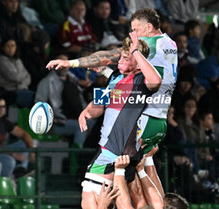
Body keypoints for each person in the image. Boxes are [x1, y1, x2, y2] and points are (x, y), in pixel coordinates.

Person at [47, 8, 178, 154]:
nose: (134, 34)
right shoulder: (169, 43)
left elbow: (109, 55)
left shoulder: (150, 44)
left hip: (143, 116)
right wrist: (105, 72)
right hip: (157, 115)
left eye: (136, 29)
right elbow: (115, 88)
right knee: (140, 168)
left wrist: (71, 63)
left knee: (118, 166)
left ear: (149, 27)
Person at [78, 32, 162, 209]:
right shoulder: (115, 76)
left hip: (113, 151)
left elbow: (156, 81)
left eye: (127, 57)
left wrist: (137, 52)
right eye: (121, 56)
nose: (121, 60)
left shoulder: (140, 81)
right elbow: (100, 105)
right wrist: (86, 111)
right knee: (137, 201)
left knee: (90, 200)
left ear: (138, 63)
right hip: (125, 152)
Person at [0, 38, 34, 108]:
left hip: (22, 90)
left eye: (13, 46)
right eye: (7, 46)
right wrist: (22, 78)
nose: (10, 48)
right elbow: (14, 77)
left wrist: (21, 81)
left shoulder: (17, 60)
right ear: (2, 47)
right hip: (8, 91)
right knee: (35, 98)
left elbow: (28, 77)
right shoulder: (0, 60)